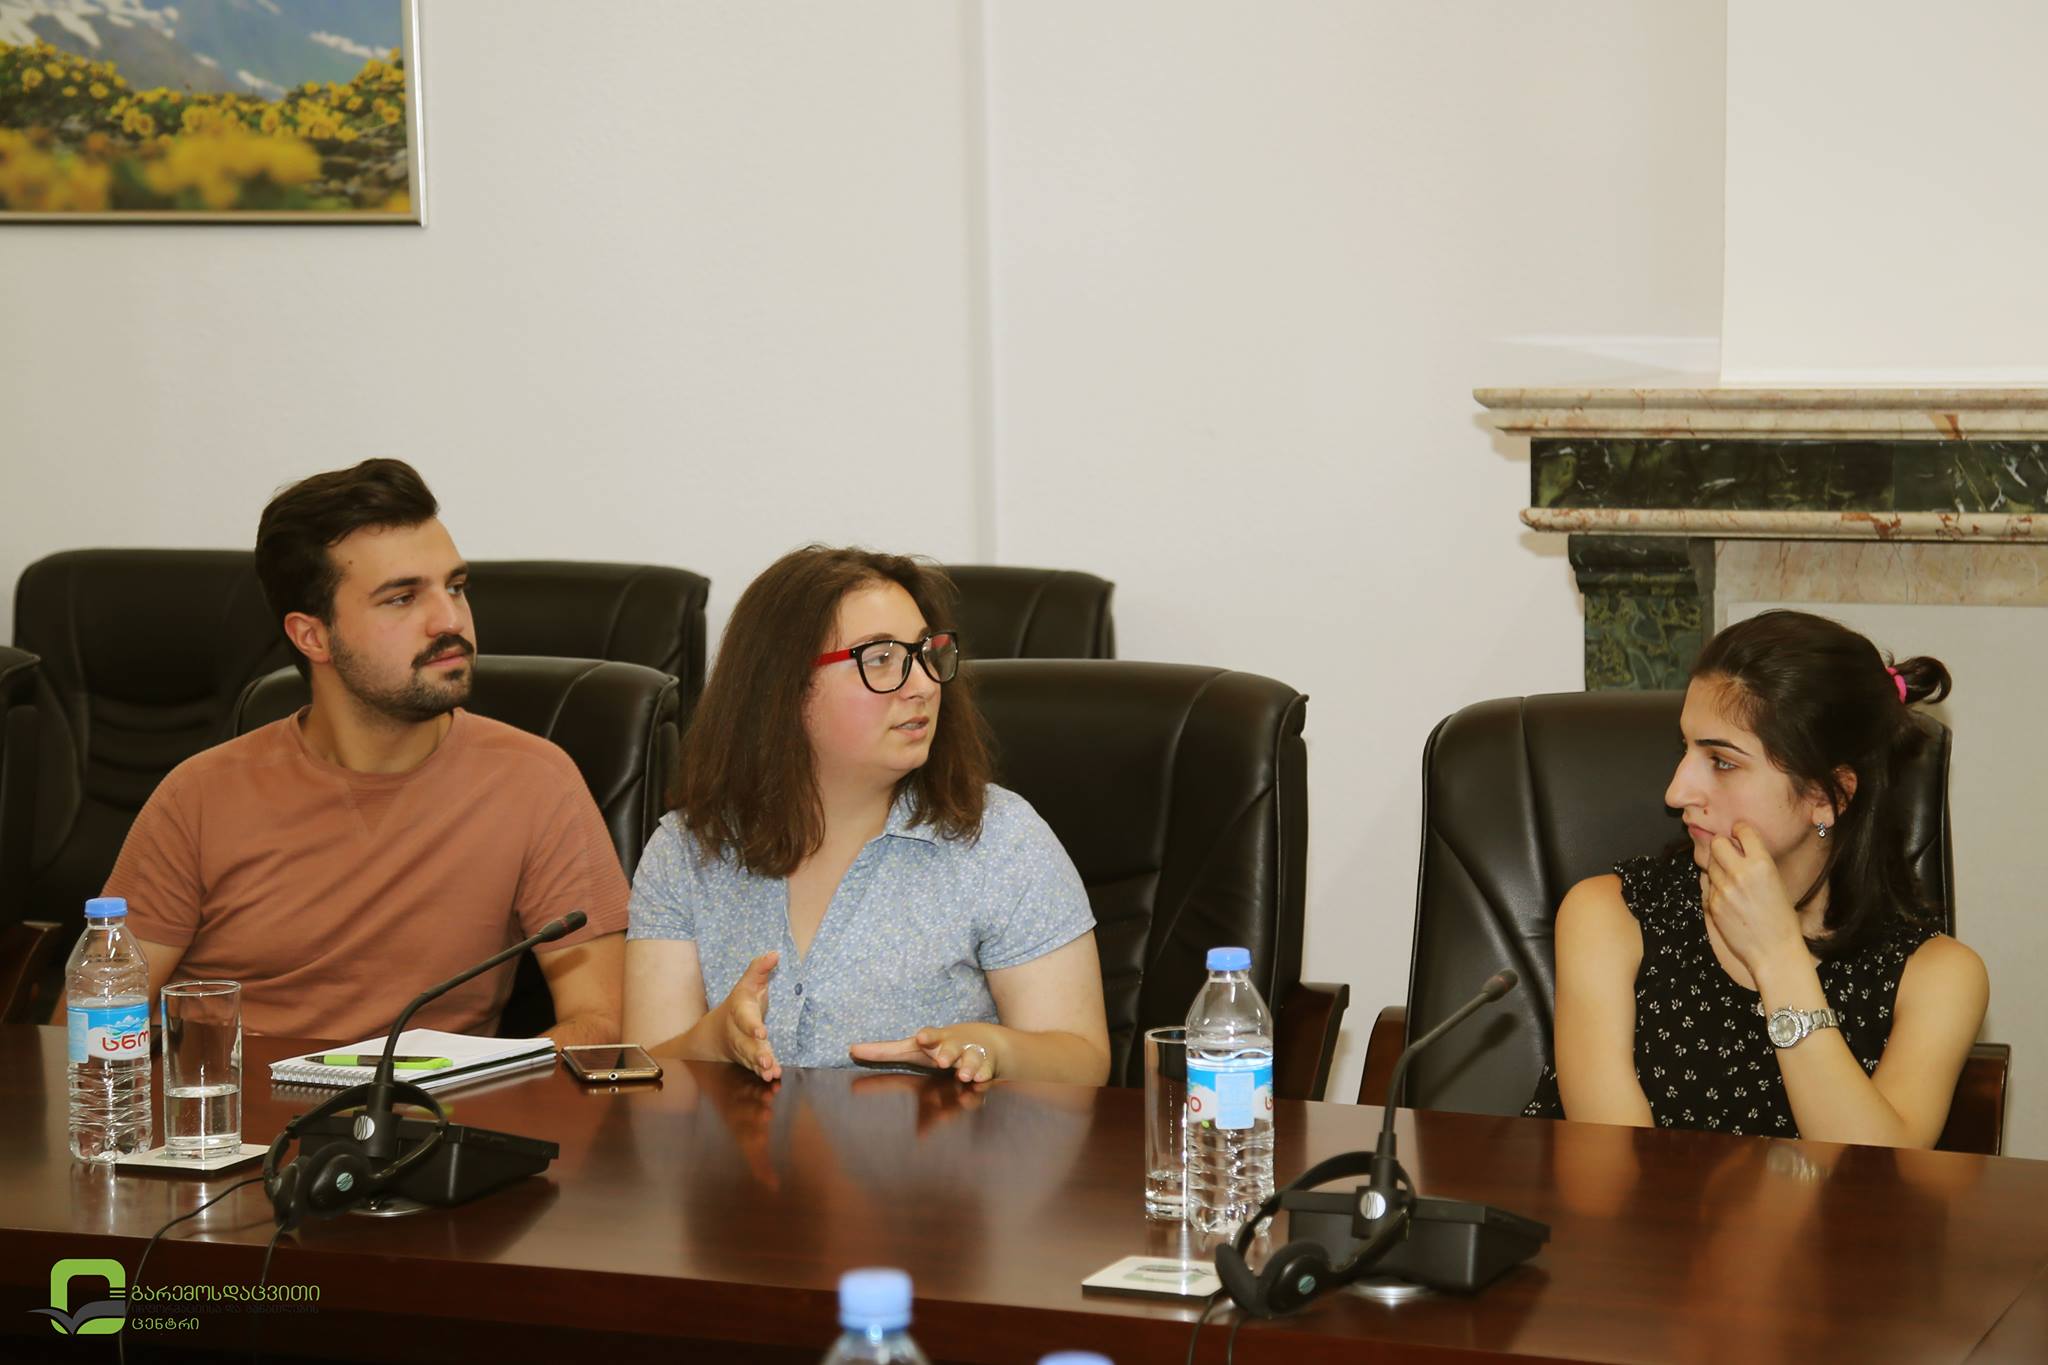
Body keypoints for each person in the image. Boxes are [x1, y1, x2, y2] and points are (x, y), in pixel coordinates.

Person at [84, 459, 628, 1043]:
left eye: (455, 587)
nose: (450, 619)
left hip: (433, 1096)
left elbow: (601, 1024)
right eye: (402, 598)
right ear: (312, 635)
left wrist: (488, 1083)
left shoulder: (535, 780)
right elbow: (92, 1022)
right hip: (229, 1098)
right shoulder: (199, 795)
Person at [623, 546, 1110, 1085]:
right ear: (783, 686)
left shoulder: (999, 838)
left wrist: (994, 1047)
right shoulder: (689, 848)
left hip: (940, 1141)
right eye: (881, 658)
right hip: (740, 1144)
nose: (924, 684)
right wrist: (713, 1042)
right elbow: (641, 1079)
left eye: (926, 654)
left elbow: (1082, 1061)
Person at [1526, 610, 1988, 1147]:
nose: (1676, 792)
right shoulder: (1610, 917)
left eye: (1722, 762)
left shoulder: (1939, 977)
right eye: (1685, 749)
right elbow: (1613, 1175)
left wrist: (1778, 958)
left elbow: (1874, 1177)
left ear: (1829, 796)